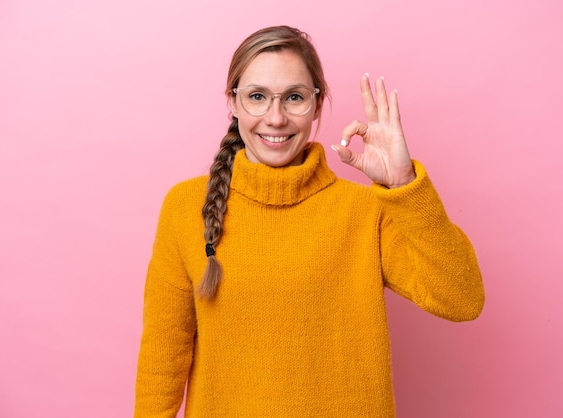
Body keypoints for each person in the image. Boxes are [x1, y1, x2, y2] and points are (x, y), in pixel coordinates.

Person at [134, 25, 485, 417]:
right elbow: (163, 358)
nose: (276, 117)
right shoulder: (185, 208)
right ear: (232, 103)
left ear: (318, 105)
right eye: (257, 97)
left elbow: (462, 299)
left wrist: (403, 184)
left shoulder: (367, 211)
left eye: (295, 98)